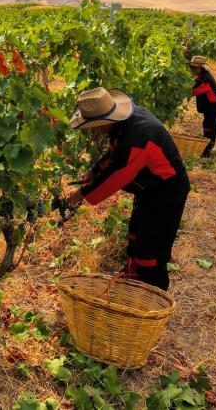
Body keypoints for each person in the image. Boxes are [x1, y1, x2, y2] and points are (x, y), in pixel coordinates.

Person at [62, 87, 190, 290]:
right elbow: (115, 154)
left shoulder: (136, 140)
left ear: (106, 120)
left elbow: (114, 176)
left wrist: (80, 194)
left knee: (150, 252)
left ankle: (153, 300)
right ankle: (133, 280)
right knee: (136, 234)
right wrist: (95, 170)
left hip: (167, 195)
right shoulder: (128, 121)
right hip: (149, 189)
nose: (94, 131)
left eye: (95, 127)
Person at [189, 56, 216, 158]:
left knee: (210, 128)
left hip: (214, 107)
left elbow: (192, 92)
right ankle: (206, 150)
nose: (192, 69)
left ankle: (207, 153)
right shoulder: (201, 76)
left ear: (200, 68)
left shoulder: (205, 80)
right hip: (210, 106)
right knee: (207, 126)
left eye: (194, 67)